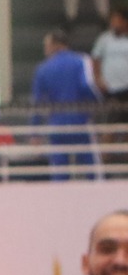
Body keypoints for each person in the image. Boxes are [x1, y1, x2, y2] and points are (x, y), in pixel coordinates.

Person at [33, 29, 102, 177]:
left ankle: (58, 198)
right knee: (91, 170)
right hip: (80, 122)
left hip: (57, 126)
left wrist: (35, 131)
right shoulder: (81, 61)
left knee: (59, 172)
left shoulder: (43, 69)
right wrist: (97, 105)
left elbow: (37, 102)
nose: (45, 50)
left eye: (46, 46)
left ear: (54, 45)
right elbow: (87, 87)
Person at [92, 8, 128, 123]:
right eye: (112, 20)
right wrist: (98, 79)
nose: (113, 23)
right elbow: (95, 59)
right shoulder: (104, 39)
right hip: (110, 88)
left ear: (124, 21)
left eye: (116, 20)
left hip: (126, 87)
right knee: (110, 123)